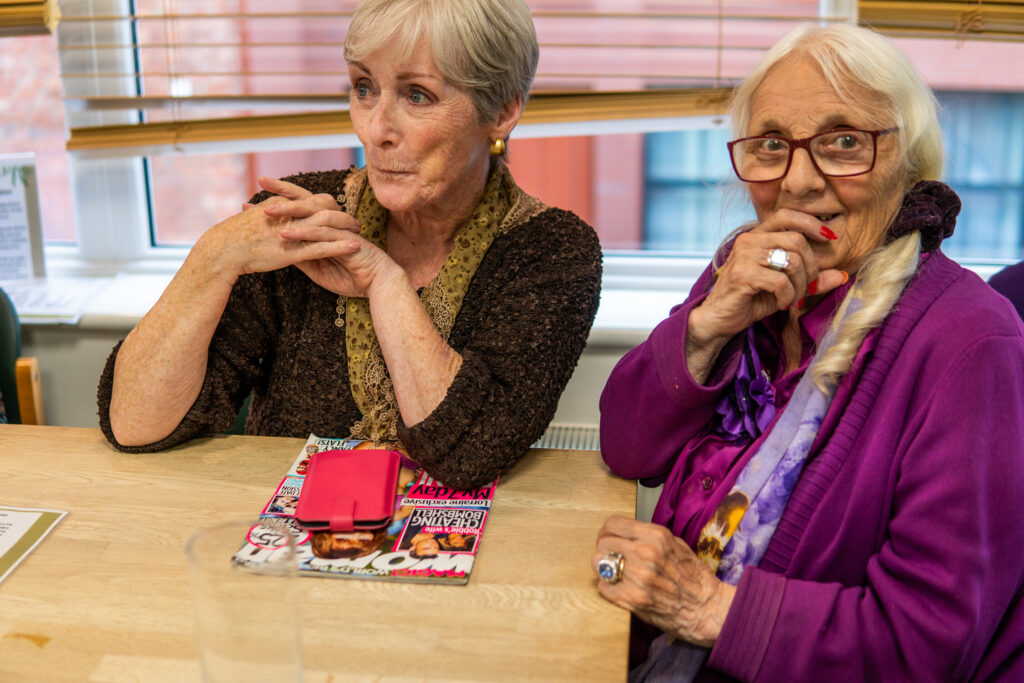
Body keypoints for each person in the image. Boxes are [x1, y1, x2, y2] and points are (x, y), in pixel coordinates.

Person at [593, 22, 1024, 681]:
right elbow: (627, 443)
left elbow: (927, 644)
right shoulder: (745, 271)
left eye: (843, 141)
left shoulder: (971, 341)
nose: (797, 182)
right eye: (772, 145)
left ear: (905, 163)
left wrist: (709, 606)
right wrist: (707, 324)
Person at [95, 0, 601, 490]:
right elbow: (136, 425)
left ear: (503, 111)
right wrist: (213, 257)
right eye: (364, 88)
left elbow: (468, 454)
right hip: (283, 556)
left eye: (417, 95)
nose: (376, 128)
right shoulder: (301, 218)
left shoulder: (555, 253)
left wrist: (384, 281)